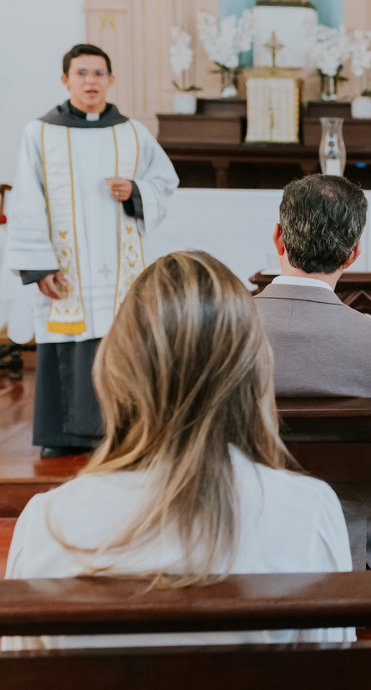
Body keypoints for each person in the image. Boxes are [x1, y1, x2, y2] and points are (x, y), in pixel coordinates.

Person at [3, 251, 352, 650]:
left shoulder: (47, 524)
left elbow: (20, 668)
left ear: (119, 367)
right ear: (251, 368)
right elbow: (329, 662)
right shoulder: (309, 513)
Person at [7, 44, 179, 458]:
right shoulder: (40, 133)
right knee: (68, 341)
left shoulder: (132, 132)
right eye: (81, 73)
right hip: (65, 270)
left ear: (111, 80)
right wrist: (39, 265)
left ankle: (123, 434)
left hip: (119, 268)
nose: (90, 81)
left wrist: (135, 190)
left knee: (121, 342)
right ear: (65, 80)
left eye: (98, 73)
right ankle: (64, 437)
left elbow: (165, 181)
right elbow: (27, 200)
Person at [254, 175, 371, 570]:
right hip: (348, 542)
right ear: (353, 254)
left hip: (244, 532)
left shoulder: (224, 329)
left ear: (279, 238)